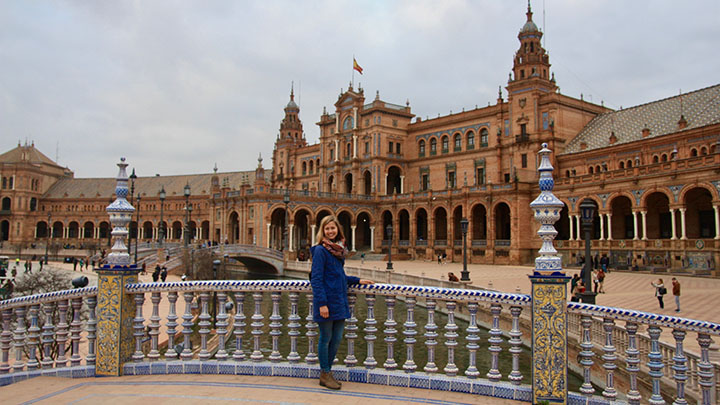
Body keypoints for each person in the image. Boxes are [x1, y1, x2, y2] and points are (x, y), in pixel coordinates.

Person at [310, 215, 373, 390]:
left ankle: (327, 372)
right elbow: (316, 278)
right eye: (327, 228)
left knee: (336, 339)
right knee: (325, 338)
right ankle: (325, 372)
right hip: (327, 302)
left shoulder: (337, 251)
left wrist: (357, 280)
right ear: (322, 231)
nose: (331, 231)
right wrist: (322, 303)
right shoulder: (320, 251)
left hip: (339, 300)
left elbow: (339, 276)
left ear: (338, 229)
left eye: (333, 228)